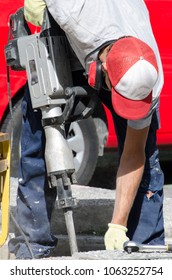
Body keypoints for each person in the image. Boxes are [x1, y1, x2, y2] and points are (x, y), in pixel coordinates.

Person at [8, 0, 165, 258]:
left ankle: (145, 249)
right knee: (39, 130)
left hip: (118, 37)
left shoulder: (151, 80)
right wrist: (34, 7)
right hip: (71, 33)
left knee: (147, 154)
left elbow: (134, 153)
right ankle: (32, 244)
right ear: (99, 72)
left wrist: (117, 224)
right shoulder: (70, 11)